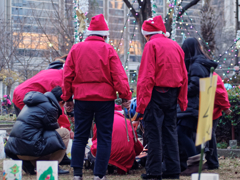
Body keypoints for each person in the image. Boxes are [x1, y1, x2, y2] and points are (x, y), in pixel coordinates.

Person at [61, 14, 132, 180]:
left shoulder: (76, 49)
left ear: (89, 33)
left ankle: (77, 174)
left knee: (79, 136)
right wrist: (125, 96)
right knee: (104, 137)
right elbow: (119, 76)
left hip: (82, 100)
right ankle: (99, 175)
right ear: (104, 35)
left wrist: (68, 98)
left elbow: (67, 75)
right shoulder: (108, 50)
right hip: (104, 100)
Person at [136, 15, 188, 180]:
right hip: (172, 94)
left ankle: (154, 172)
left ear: (147, 34)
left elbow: (146, 78)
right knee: (170, 132)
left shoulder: (151, 46)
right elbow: (184, 76)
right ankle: (173, 170)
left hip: (155, 94)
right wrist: (182, 100)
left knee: (154, 133)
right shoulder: (176, 46)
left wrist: (140, 106)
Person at [5, 86, 70, 175]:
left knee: (41, 137)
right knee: (65, 133)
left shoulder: (33, 103)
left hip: (14, 149)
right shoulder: (50, 107)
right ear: (61, 102)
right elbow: (53, 130)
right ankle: (52, 166)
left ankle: (30, 164)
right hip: (29, 149)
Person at [177, 38, 218, 175]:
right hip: (198, 105)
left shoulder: (196, 65)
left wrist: (180, 91)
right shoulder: (201, 63)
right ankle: (194, 162)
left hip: (192, 106)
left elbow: (195, 86)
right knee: (187, 133)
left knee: (180, 132)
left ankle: (195, 162)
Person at [89, 103, 143, 174]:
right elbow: (136, 143)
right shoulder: (128, 122)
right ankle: (120, 167)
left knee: (93, 151)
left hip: (105, 153)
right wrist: (138, 152)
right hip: (124, 156)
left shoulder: (101, 121)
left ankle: (105, 165)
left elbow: (95, 141)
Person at [203, 72, 231, 170]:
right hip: (211, 111)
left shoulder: (210, 75)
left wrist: (225, 107)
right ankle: (212, 162)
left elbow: (219, 93)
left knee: (209, 136)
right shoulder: (212, 74)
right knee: (209, 136)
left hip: (209, 111)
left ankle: (212, 162)